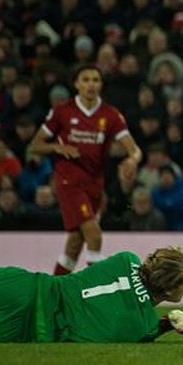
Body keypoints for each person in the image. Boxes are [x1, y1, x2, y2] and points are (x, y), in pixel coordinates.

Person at [29, 65, 143, 275]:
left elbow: (134, 150)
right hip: (68, 181)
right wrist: (57, 147)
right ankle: (101, 294)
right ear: (77, 84)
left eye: (96, 80)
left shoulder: (110, 115)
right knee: (94, 235)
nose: (91, 84)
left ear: (101, 84)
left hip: (94, 183)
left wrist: (132, 160)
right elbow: (35, 145)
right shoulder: (62, 111)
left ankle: (55, 291)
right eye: (86, 79)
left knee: (75, 242)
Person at [0, 246, 183, 342]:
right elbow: (131, 324)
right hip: (26, 323)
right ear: (167, 288)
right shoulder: (140, 325)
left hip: (26, 284)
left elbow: (126, 295)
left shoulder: (126, 259)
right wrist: (163, 326)